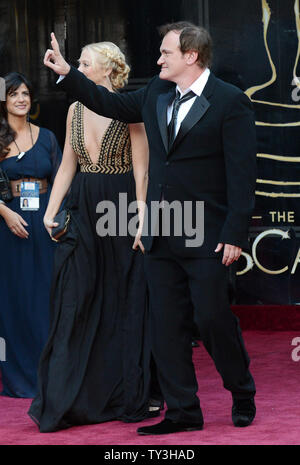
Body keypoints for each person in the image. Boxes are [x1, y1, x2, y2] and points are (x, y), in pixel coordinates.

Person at [42, 21, 257, 435]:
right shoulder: (157, 93)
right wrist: (69, 74)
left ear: (190, 56)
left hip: (206, 233)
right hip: (161, 229)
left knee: (212, 319)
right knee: (165, 324)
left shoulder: (230, 102)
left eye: (166, 53)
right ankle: (182, 411)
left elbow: (242, 176)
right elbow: (111, 105)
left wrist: (234, 233)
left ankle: (242, 389)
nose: (157, 59)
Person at [28, 41, 162, 432]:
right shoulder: (73, 110)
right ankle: (74, 393)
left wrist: (142, 219)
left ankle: (127, 392)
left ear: (107, 70)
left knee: (123, 295)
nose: (78, 66)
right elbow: (67, 167)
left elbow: (143, 171)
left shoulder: (128, 108)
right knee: (78, 295)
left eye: (85, 62)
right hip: (84, 207)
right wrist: (51, 212)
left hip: (120, 209)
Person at [0, 72, 62, 397]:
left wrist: (57, 220)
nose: (21, 99)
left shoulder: (48, 137)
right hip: (8, 224)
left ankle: (51, 376)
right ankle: (19, 378)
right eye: (14, 94)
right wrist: (5, 212)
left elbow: (63, 179)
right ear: (4, 101)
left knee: (45, 298)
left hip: (45, 221)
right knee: (14, 300)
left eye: (25, 93)